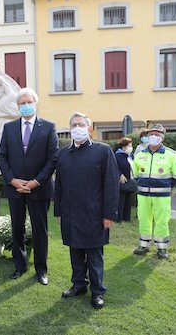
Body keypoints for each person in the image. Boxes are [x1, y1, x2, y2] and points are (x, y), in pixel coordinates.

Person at [54, 112, 119, 309]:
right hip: (71, 213)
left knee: (94, 254)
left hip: (94, 214)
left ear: (90, 129)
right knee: (75, 251)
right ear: (70, 129)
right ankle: (79, 284)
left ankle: (97, 291)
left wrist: (109, 215)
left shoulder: (103, 151)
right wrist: (58, 211)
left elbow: (111, 184)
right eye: (74, 124)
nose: (77, 127)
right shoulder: (63, 154)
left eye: (81, 124)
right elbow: (59, 185)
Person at [0, 87, 58, 286]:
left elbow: (52, 159)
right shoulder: (9, 128)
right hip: (15, 188)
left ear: (35, 103)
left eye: (28, 102)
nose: (25, 106)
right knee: (17, 229)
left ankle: (41, 269)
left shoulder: (48, 127)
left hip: (38, 189)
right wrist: (13, 181)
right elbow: (2, 156)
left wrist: (35, 182)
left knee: (40, 230)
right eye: (22, 103)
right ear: (18, 106)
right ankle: (20, 265)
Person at [133, 123, 176, 260]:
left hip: (162, 196)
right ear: (147, 136)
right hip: (143, 195)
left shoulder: (171, 155)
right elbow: (135, 174)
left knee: (161, 221)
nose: (154, 137)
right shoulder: (139, 154)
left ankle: (162, 248)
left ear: (162, 137)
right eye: (151, 134)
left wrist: (166, 187)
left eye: (157, 134)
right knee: (143, 219)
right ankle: (144, 245)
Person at [115, 137, 134, 222]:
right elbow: (114, 167)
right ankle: (119, 218)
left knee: (128, 199)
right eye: (129, 146)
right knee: (121, 200)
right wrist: (120, 174)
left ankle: (127, 217)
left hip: (129, 180)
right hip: (121, 181)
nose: (131, 148)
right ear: (124, 147)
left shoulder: (129, 156)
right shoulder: (118, 156)